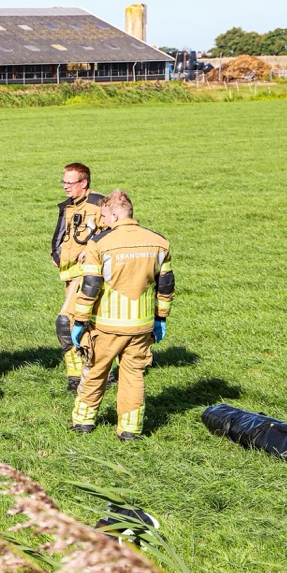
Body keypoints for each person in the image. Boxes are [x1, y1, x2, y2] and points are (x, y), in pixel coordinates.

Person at [69, 189, 173, 441]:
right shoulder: (159, 242)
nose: (102, 222)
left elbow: (90, 287)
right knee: (133, 376)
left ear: (115, 216)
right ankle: (130, 429)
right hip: (141, 326)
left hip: (106, 325)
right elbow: (166, 285)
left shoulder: (100, 244)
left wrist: (79, 321)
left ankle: (83, 421)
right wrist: (160, 318)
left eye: (104, 217)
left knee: (94, 371)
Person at [51, 162, 103, 391]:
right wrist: (56, 253)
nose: (65, 187)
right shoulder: (69, 205)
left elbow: (111, 234)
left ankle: (76, 376)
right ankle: (93, 372)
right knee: (84, 325)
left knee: (65, 321)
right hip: (69, 274)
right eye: (63, 182)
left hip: (88, 274)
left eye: (69, 182)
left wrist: (90, 250)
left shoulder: (99, 203)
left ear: (84, 183)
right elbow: (63, 232)